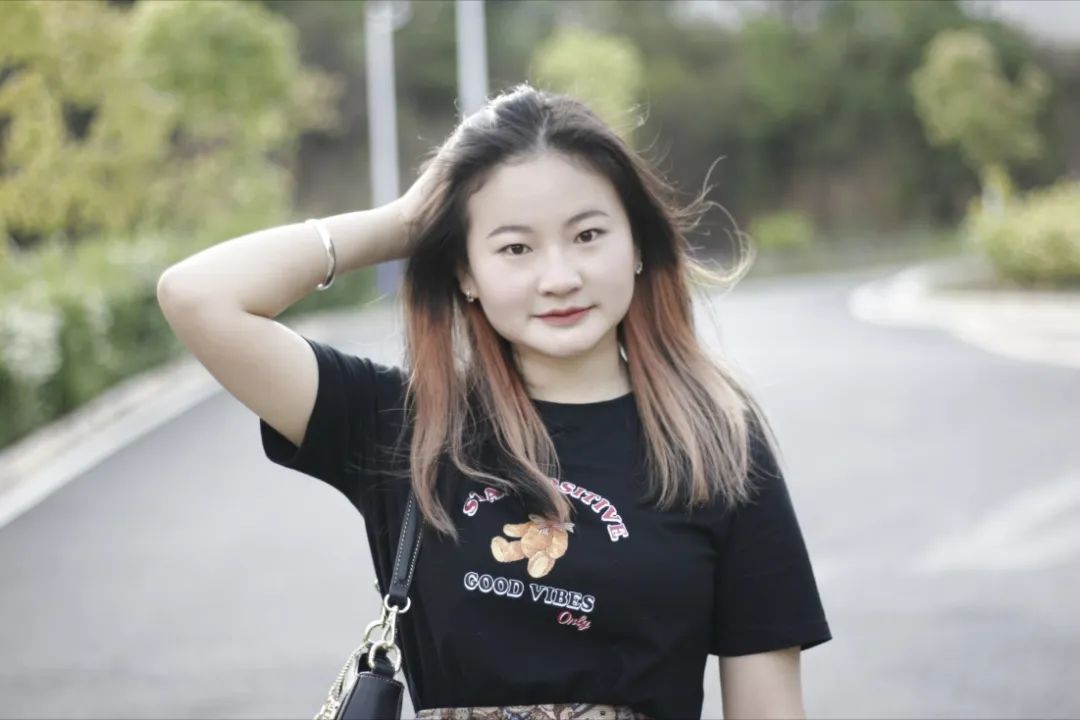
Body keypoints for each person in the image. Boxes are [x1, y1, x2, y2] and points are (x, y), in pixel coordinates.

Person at [157, 83, 832, 720]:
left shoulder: (715, 444)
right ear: (466, 272)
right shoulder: (405, 426)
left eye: (588, 235)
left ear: (637, 246)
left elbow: (769, 709)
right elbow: (198, 297)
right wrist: (404, 222)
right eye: (515, 247)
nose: (558, 277)